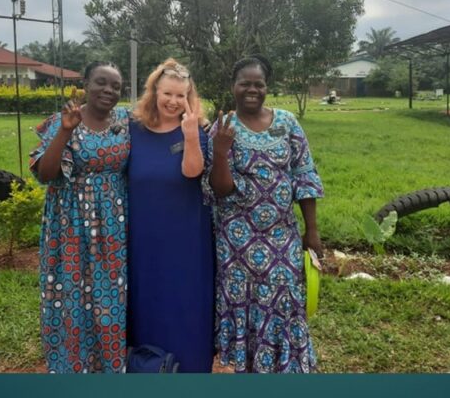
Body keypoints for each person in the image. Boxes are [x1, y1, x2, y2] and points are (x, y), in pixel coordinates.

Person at [207, 55, 324, 373]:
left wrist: (311, 230)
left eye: (258, 84)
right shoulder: (223, 126)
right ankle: (243, 369)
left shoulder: (287, 123)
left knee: (283, 300)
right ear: (233, 86)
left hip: (282, 235)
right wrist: (220, 151)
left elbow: (305, 176)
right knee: (240, 302)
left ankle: (282, 368)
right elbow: (219, 189)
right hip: (236, 240)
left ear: (267, 87)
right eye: (245, 83)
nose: (251, 89)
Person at [30, 61, 130, 374]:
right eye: (101, 82)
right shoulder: (62, 121)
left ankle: (110, 369)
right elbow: (46, 174)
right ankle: (71, 370)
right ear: (85, 84)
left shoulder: (126, 120)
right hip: (69, 225)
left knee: (110, 298)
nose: (109, 90)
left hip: (113, 225)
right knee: (70, 298)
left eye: (115, 86)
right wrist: (65, 130)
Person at [126, 58, 214, 373]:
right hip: (143, 235)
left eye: (181, 95)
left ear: (189, 98)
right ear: (154, 92)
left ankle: (190, 370)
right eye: (167, 94)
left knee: (185, 303)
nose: (173, 102)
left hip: (186, 236)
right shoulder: (132, 128)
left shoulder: (195, 128)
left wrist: (189, 134)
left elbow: (192, 172)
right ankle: (147, 367)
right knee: (147, 301)